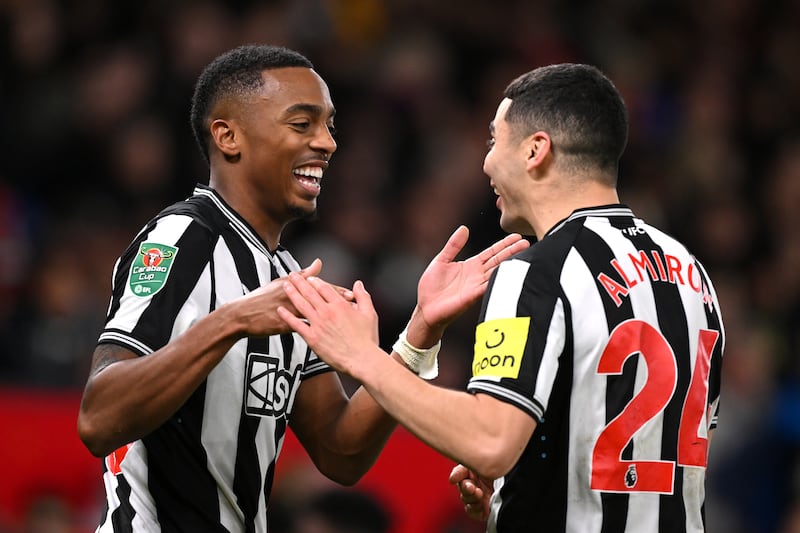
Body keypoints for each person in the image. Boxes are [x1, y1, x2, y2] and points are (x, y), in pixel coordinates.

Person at [76, 44, 529, 532]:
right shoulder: (182, 239)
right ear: (229, 137)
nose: (327, 143)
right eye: (302, 123)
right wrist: (232, 321)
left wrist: (420, 331)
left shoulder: (285, 275)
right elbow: (99, 418)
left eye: (329, 125)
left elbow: (339, 452)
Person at [278, 63, 726, 532]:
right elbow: (657, 444)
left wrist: (363, 357)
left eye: (494, 140)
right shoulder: (692, 274)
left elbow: (490, 442)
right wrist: (526, 477)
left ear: (535, 150)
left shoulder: (535, 273)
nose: (487, 162)